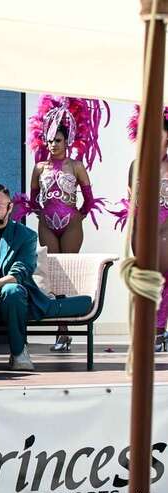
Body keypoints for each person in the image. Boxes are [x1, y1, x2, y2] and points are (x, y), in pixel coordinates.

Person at [0, 184, 91, 371]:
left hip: (10, 292)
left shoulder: (26, 236)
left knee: (13, 290)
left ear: (10, 207)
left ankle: (18, 352)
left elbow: (21, 273)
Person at [19, 96, 106, 352]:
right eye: (48, 139)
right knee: (52, 271)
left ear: (67, 141)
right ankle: (62, 332)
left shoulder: (77, 166)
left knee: (67, 270)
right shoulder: (39, 168)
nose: (52, 144)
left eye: (57, 140)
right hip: (47, 223)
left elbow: (89, 200)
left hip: (71, 225)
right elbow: (32, 200)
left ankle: (64, 330)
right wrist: (41, 213)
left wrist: (76, 215)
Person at [111, 105, 168, 351]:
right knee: (146, 280)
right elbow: (132, 205)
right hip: (144, 230)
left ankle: (158, 332)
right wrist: (134, 235)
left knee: (164, 279)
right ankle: (152, 332)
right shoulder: (136, 165)